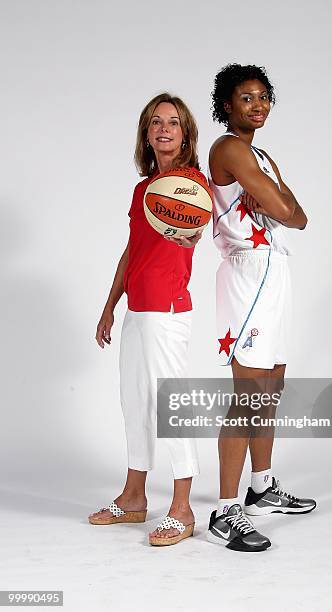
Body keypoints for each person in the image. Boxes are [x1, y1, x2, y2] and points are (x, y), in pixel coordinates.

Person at [206, 64, 316, 552]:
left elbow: (301, 218)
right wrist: (280, 205)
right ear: (227, 105)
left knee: (271, 387)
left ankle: (262, 487)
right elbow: (281, 208)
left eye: (265, 97)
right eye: (247, 98)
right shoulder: (228, 148)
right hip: (246, 272)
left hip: (276, 271)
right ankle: (225, 509)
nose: (258, 105)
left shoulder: (262, 154)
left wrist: (281, 205)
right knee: (247, 397)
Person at [88, 93, 204, 547]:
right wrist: (109, 305)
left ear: (185, 134)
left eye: (173, 123)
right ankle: (134, 496)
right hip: (137, 310)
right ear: (146, 133)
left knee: (170, 407)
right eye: (155, 122)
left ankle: (182, 508)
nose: (163, 129)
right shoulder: (143, 190)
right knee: (134, 401)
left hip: (168, 311)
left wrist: (189, 224)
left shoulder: (193, 185)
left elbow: (194, 229)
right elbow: (132, 251)